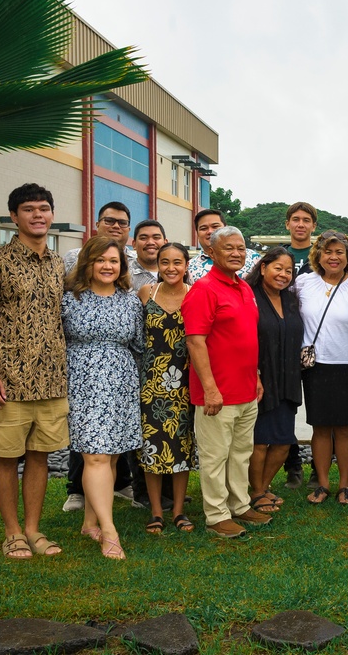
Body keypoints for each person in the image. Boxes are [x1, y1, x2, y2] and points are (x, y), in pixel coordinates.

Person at [0, 183, 68, 559]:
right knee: (5, 457)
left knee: (40, 456)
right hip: (6, 382)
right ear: (13, 217)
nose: (37, 215)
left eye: (43, 208)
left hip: (51, 381)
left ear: (52, 214)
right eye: (28, 209)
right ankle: (13, 533)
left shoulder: (58, 265)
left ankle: (34, 530)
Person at [183, 226, 270, 539]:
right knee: (215, 456)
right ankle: (217, 514)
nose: (236, 253)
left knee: (240, 453)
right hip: (216, 393)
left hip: (246, 389)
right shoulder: (203, 290)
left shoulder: (244, 288)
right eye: (228, 248)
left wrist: (257, 376)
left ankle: (240, 503)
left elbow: (247, 337)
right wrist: (209, 388)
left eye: (241, 248)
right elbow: (195, 342)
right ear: (210, 253)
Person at [62, 235, 145, 559]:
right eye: (101, 260)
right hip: (83, 382)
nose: (107, 266)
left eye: (114, 260)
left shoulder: (129, 301)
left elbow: (139, 345)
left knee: (109, 456)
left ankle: (89, 521)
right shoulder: (69, 298)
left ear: (121, 265)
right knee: (95, 455)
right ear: (88, 263)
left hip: (122, 382)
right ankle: (109, 532)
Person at [294, 230, 348, 506]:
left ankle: (345, 485)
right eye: (328, 251)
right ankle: (322, 483)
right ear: (318, 255)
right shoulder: (303, 284)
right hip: (315, 365)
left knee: (345, 427)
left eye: (339, 252)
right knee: (320, 427)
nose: (333, 257)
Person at [137, 242, 196, 534]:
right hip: (151, 381)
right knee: (152, 444)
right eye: (165, 262)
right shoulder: (148, 292)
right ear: (157, 265)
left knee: (182, 443)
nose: (171, 268)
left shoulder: (195, 293)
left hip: (185, 380)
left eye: (177, 262)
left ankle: (179, 510)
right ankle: (156, 511)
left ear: (186, 265)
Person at [245, 248, 305, 512]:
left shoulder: (292, 300)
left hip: (288, 376)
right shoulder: (249, 296)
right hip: (258, 377)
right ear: (264, 267)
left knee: (283, 439)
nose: (283, 275)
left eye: (288, 271)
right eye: (278, 268)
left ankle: (262, 488)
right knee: (259, 440)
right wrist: (254, 373)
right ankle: (256, 493)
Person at [279, 202, 318, 489]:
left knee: (320, 409)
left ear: (313, 226)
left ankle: (320, 467)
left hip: (318, 341)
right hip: (286, 341)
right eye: (296, 219)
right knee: (286, 407)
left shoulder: (323, 256)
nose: (301, 224)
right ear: (288, 224)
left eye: (306, 220)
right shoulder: (278, 257)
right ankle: (293, 465)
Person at [188, 209, 260, 282]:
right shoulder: (189, 267)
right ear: (197, 233)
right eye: (203, 228)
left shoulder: (254, 258)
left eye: (215, 226)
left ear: (226, 228)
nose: (210, 231)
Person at [63, 201, 135, 272]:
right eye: (109, 221)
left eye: (122, 223)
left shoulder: (138, 262)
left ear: (129, 229)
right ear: (97, 225)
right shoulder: (73, 258)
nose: (116, 226)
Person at [129, 220, 168, 292]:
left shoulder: (178, 273)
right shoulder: (123, 274)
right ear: (134, 244)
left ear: (165, 243)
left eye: (156, 237)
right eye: (143, 238)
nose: (150, 242)